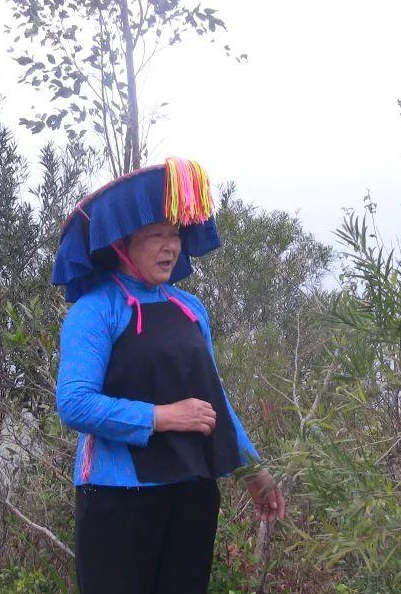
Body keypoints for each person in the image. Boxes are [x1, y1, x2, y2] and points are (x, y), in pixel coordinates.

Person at [53, 158, 285, 594]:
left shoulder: (190, 308)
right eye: (155, 235)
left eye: (175, 233)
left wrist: (252, 469)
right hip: (117, 494)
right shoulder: (95, 310)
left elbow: (215, 398)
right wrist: (162, 417)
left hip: (192, 488)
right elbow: (74, 403)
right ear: (122, 243)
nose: (170, 246)